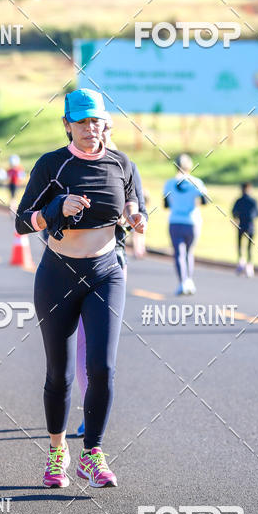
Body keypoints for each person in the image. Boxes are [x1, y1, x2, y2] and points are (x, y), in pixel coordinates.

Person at [16, 89, 146, 489]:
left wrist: (137, 218)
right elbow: (23, 222)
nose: (91, 129)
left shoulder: (123, 165)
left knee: (103, 368)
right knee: (60, 374)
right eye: (82, 122)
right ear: (67, 125)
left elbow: (131, 208)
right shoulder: (52, 165)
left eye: (97, 121)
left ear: (106, 123)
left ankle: (93, 454)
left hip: (107, 273)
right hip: (57, 275)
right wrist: (57, 208)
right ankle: (58, 451)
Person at [74, 114, 147, 437]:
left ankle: (94, 409)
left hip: (113, 259)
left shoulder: (125, 165)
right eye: (90, 125)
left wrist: (134, 220)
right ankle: (85, 406)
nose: (97, 132)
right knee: (80, 342)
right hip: (74, 263)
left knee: (100, 347)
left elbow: (138, 208)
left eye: (102, 126)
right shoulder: (71, 162)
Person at [163, 154, 209, 295]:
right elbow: (205, 201)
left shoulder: (169, 183)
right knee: (189, 253)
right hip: (192, 221)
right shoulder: (197, 182)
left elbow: (165, 204)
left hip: (175, 221)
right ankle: (189, 281)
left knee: (179, 254)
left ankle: (183, 282)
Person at [232, 182, 258, 277]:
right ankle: (248, 265)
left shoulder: (239, 201)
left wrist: (237, 219)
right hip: (250, 226)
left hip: (242, 225)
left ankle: (242, 263)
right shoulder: (253, 201)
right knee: (249, 247)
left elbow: (234, 212)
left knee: (241, 246)